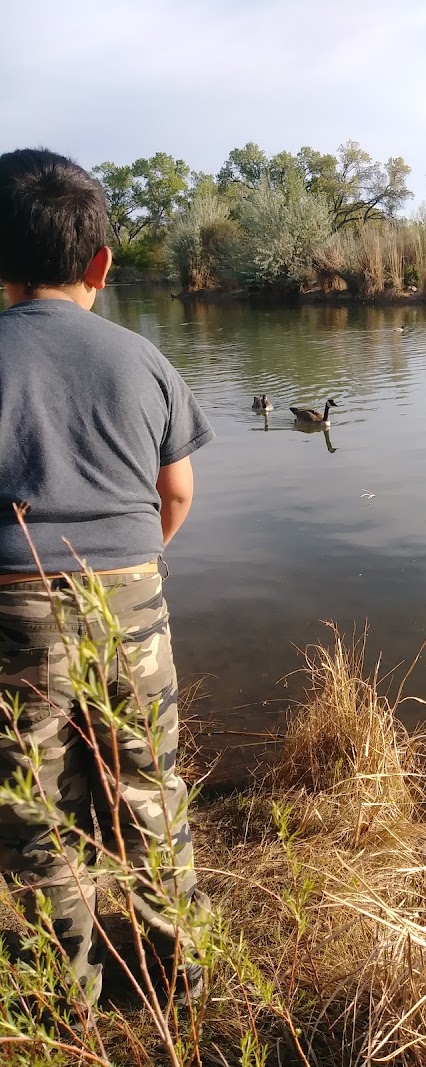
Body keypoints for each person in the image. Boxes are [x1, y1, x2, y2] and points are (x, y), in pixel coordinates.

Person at [0, 148, 215, 1007]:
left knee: (34, 806)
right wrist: (138, 559)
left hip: (10, 600)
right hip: (130, 586)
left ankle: (71, 993)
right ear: (100, 264)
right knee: (150, 781)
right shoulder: (143, 358)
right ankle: (184, 972)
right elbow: (178, 489)